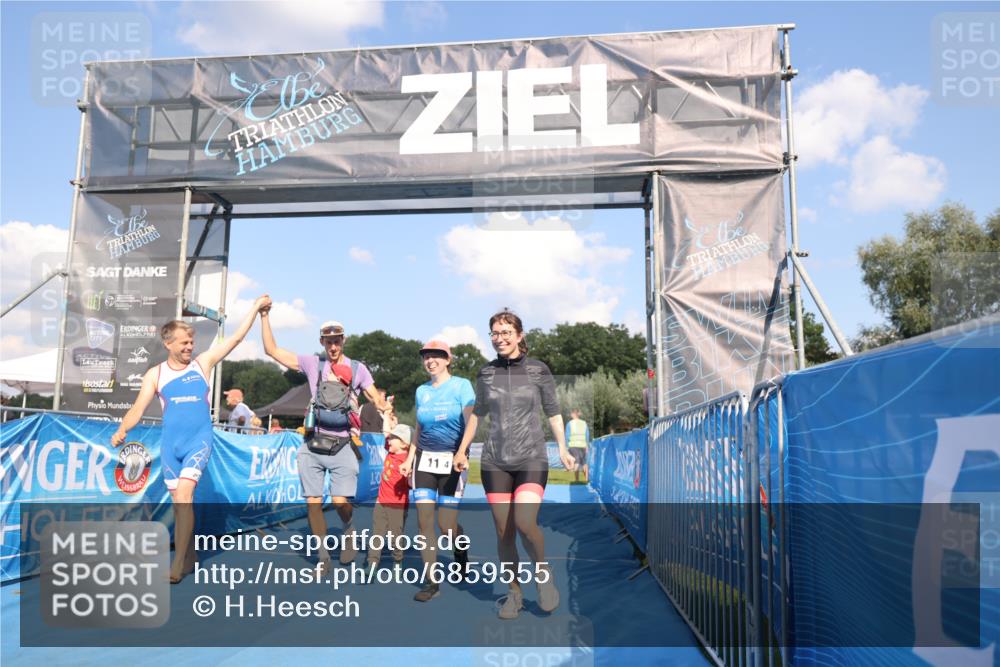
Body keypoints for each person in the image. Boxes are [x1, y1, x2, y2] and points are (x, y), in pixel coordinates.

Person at [112, 295, 271, 583]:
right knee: (179, 502)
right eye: (184, 343)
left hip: (198, 441)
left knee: (184, 496)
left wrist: (254, 309)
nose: (189, 347)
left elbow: (235, 339)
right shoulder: (155, 374)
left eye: (191, 342)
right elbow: (138, 408)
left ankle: (177, 563)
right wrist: (122, 429)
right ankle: (191, 556)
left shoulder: (202, 364)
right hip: (171, 446)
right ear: (168, 343)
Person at [456, 310, 575, 619]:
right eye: (495, 333)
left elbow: (552, 411)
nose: (500, 338)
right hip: (494, 461)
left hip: (531, 457)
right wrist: (462, 449)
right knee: (504, 533)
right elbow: (477, 415)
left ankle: (542, 574)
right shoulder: (485, 373)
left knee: (524, 522)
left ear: (520, 335)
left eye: (507, 332)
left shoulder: (538, 370)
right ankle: (514, 594)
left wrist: (562, 447)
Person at [261, 315, 390, 570]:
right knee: (313, 503)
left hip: (343, 444)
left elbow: (374, 395)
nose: (333, 346)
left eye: (337, 341)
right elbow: (272, 351)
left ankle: (348, 527)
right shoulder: (313, 364)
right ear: (322, 341)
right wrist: (264, 316)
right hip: (313, 444)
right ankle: (323, 557)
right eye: (328, 341)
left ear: (343, 340)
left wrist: (384, 407)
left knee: (341, 502)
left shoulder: (357, 369)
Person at [398, 340, 474, 602]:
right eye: (426, 357)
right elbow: (419, 428)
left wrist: (463, 451)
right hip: (424, 461)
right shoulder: (421, 391)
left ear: (448, 360)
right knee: (424, 522)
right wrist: (409, 458)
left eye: (436, 356)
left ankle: (460, 549)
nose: (430, 361)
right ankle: (432, 582)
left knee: (446, 526)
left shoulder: (462, 386)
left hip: (452, 460)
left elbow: (471, 421)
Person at [366, 423, 412, 571]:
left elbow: (411, 482)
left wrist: (410, 477)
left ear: (404, 444)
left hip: (397, 506)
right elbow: (386, 430)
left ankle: (398, 561)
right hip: (381, 501)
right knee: (377, 533)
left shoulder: (408, 461)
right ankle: (372, 563)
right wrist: (385, 411)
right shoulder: (390, 451)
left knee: (395, 538)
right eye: (391, 437)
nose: (389, 440)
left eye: (394, 438)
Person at [565, 409, 591, 483]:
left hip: (573, 446)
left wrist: (566, 446)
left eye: (571, 413)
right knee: (584, 463)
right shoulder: (584, 423)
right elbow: (587, 435)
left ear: (574, 414)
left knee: (576, 461)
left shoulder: (570, 423)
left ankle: (576, 480)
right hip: (582, 445)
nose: (570, 415)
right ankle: (586, 480)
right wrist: (587, 446)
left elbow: (567, 435)